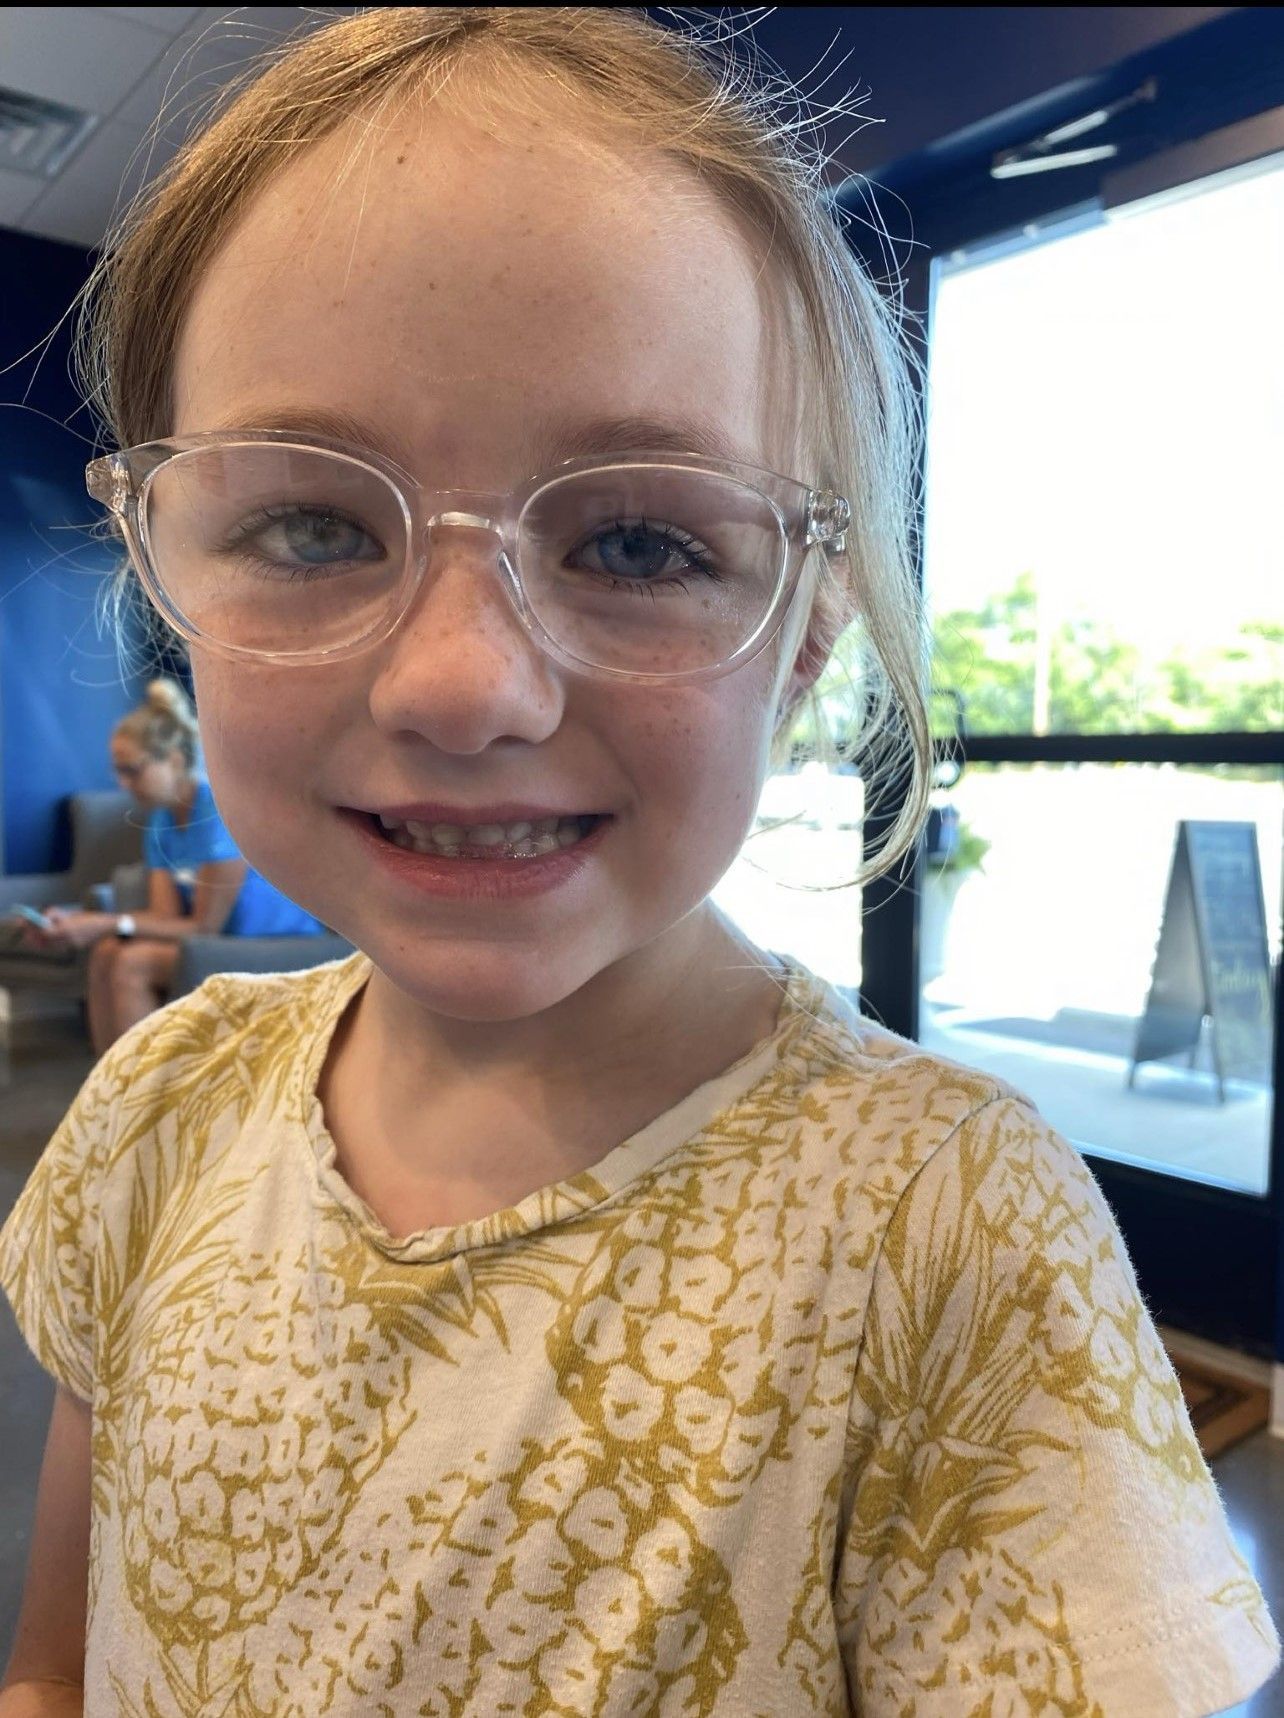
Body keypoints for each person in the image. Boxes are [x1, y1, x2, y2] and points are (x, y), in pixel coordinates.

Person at [0, 10, 1278, 1716]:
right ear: (167, 560)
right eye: (311, 524)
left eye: (636, 541)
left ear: (803, 641)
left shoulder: (951, 1239)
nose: (463, 684)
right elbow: (58, 1668)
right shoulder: (154, 1112)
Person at [19, 679, 328, 1055]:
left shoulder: (218, 813)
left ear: (176, 761)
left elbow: (203, 927)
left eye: (133, 770)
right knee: (105, 952)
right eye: (119, 771)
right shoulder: (160, 822)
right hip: (217, 941)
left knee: (132, 964)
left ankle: (143, 1091)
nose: (123, 784)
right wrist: (81, 922)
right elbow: (163, 916)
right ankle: (110, 1088)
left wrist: (102, 921)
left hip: (275, 944)